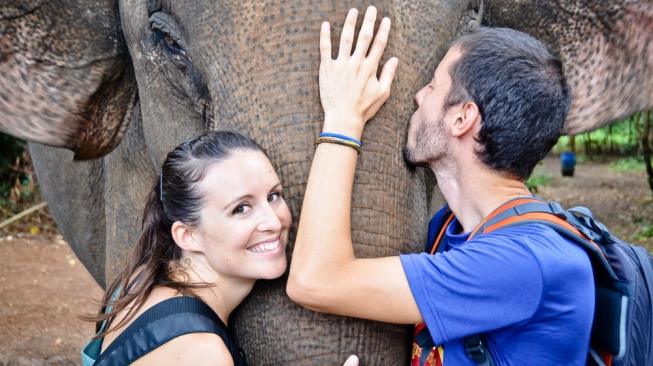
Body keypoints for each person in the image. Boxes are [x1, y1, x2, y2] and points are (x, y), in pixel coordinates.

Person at [287, 6, 594, 366]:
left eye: (433, 85)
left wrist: (343, 118)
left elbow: (315, 280)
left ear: (462, 118)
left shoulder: (524, 263)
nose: (418, 96)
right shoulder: (452, 229)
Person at [81, 130, 292, 365]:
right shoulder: (203, 352)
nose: (274, 222)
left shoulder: (138, 282)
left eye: (273, 196)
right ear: (188, 236)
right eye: (241, 208)